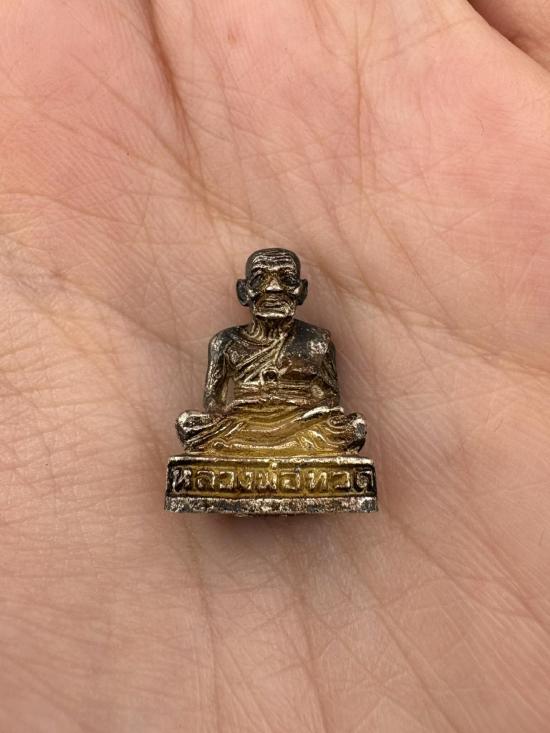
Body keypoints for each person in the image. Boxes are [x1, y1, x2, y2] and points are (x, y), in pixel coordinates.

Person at [176, 247, 366, 455]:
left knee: (352, 427)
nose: (273, 288)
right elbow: (213, 402)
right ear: (243, 291)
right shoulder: (225, 342)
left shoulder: (317, 342)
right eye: (260, 279)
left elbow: (330, 400)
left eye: (287, 279)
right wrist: (248, 403)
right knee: (189, 424)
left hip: (300, 423)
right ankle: (283, 448)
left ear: (302, 290)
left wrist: (289, 403)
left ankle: (245, 449)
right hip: (242, 423)